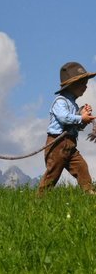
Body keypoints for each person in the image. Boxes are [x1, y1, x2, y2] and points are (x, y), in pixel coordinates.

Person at [38, 62, 96, 195]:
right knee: (52, 174)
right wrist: (81, 118)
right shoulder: (60, 101)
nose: (85, 86)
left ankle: (90, 192)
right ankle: (39, 200)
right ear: (71, 85)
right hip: (57, 144)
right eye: (82, 83)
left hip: (70, 145)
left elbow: (75, 125)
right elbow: (64, 118)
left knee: (82, 167)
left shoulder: (73, 105)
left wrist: (84, 118)